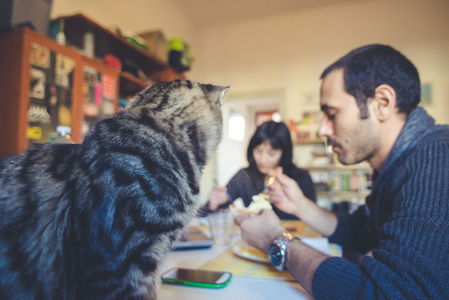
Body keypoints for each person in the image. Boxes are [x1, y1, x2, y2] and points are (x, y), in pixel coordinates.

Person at [235, 44, 449, 299]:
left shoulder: (436, 160)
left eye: (332, 114)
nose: (323, 130)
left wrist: (275, 239)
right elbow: (361, 231)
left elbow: (390, 293)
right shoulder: (393, 167)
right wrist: (300, 205)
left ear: (382, 103)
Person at [207, 120, 316, 220]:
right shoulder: (244, 177)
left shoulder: (301, 178)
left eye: (271, 154)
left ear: (284, 153)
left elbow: (313, 221)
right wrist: (213, 203)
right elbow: (209, 212)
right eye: (259, 151)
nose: (263, 160)